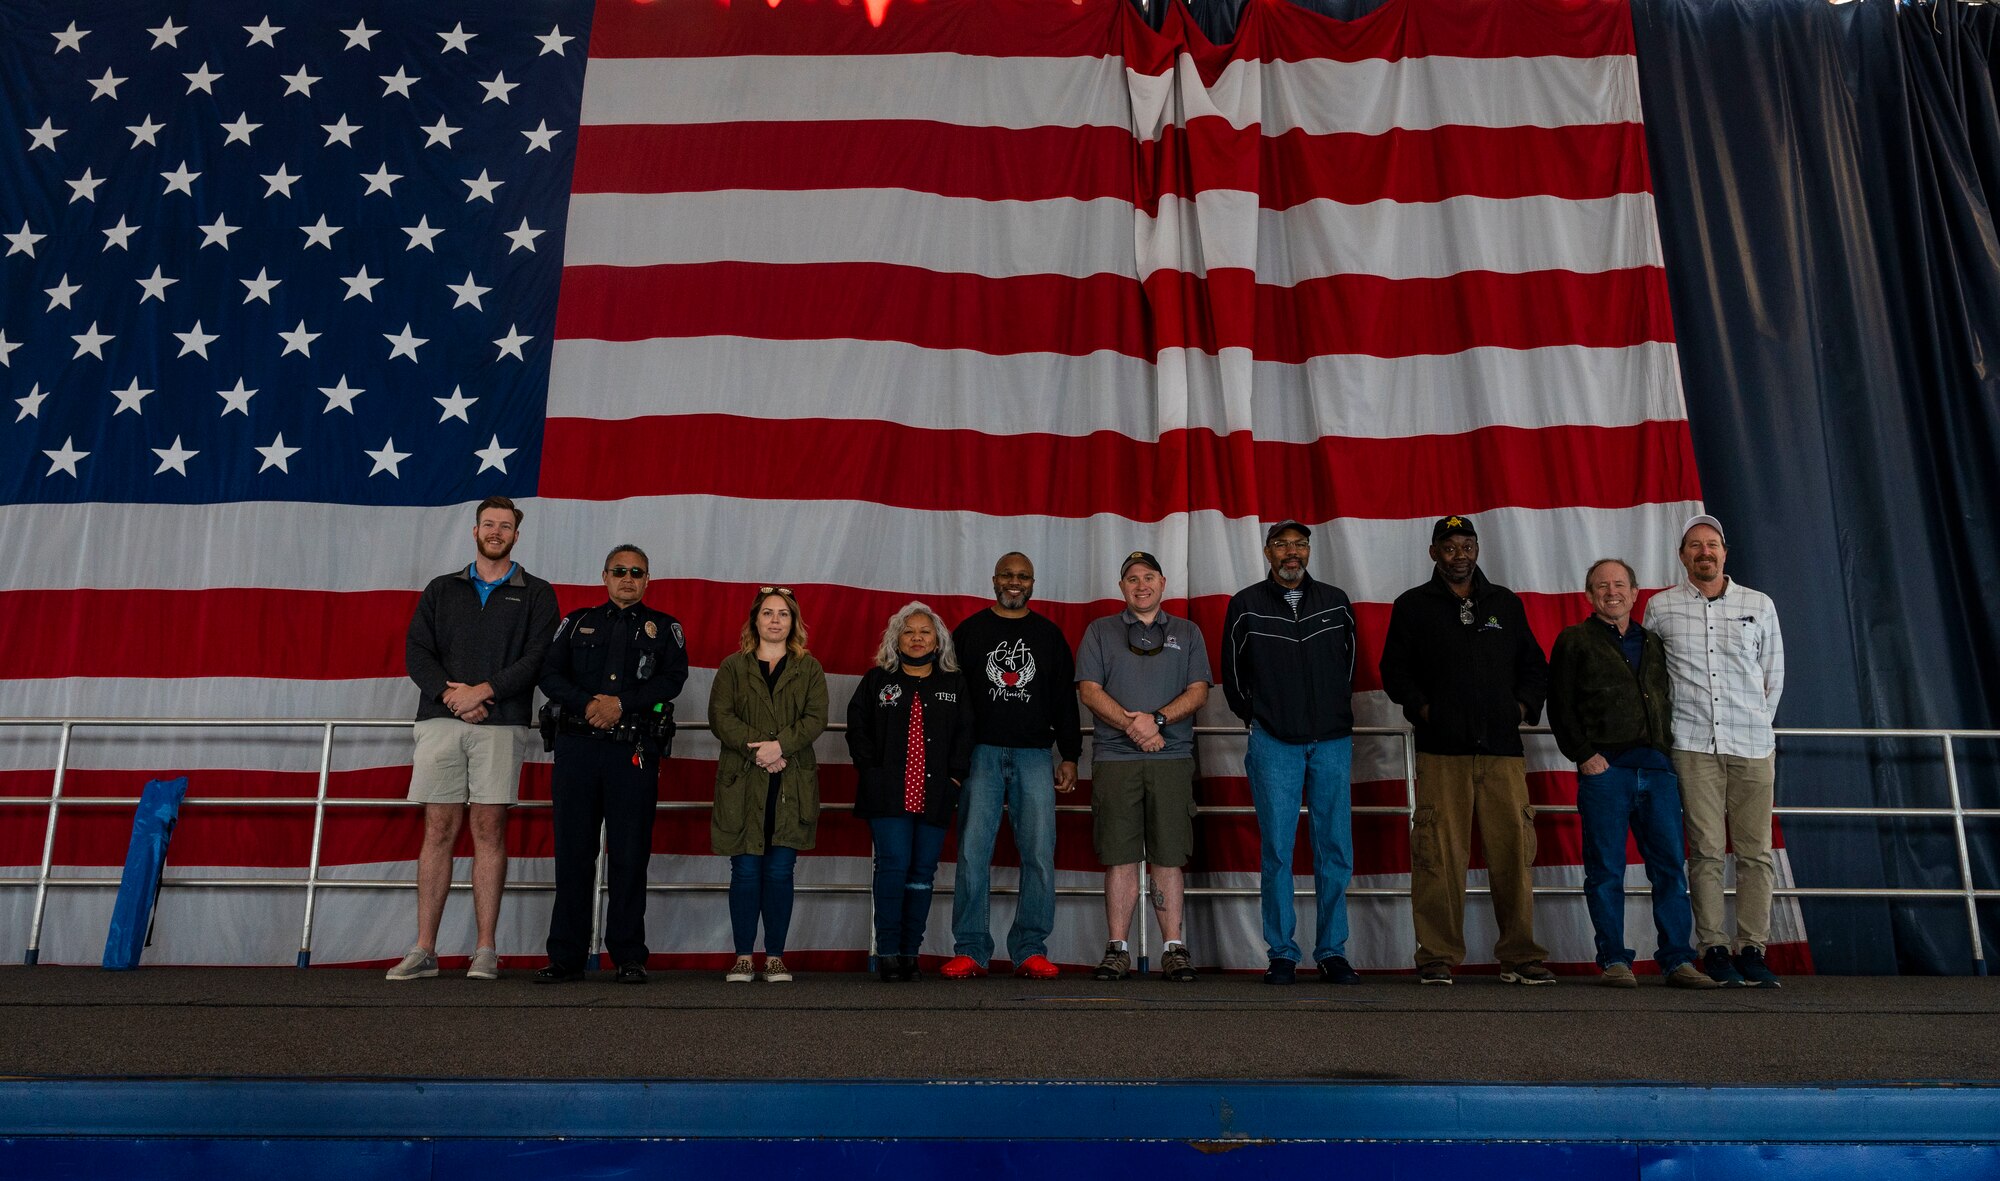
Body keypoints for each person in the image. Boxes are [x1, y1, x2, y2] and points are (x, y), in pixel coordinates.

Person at [389, 496, 558, 982]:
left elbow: (538, 658)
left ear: (517, 535)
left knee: (489, 831)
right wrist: (451, 695)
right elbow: (417, 651)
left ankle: (486, 949)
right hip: (441, 721)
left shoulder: (538, 594)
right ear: (475, 530)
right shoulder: (441, 590)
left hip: (502, 723)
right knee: (437, 830)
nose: (496, 532)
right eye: (489, 524)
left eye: (506, 526)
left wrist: (484, 691)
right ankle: (425, 948)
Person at [1379, 515, 1553, 986]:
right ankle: (1436, 955)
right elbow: (1394, 672)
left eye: (1468, 545)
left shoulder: (1505, 603)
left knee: (1514, 855)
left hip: (1503, 753)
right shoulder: (1413, 606)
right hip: (1441, 753)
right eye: (1450, 546)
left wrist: (1518, 709)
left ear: (1478, 549)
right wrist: (1427, 711)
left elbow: (1535, 668)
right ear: (1434, 553)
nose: (1461, 555)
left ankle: (1519, 956)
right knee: (1438, 857)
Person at [1548, 559, 1718, 989]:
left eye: (1620, 584)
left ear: (1635, 592)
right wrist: (1584, 755)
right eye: (1602, 586)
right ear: (1588, 595)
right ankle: (1613, 960)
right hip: (1607, 772)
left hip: (1658, 770)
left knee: (1669, 869)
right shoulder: (1574, 641)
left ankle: (1678, 959)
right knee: (1606, 869)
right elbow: (1560, 705)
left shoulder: (1655, 642)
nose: (1612, 592)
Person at [534, 545, 689, 984]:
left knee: (629, 854)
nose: (627, 578)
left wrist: (621, 703)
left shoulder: (666, 629)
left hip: (633, 751)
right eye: (619, 570)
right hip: (578, 751)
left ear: (646, 580)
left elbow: (673, 679)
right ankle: (566, 956)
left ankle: (627, 955)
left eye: (636, 572)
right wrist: (589, 705)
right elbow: (549, 674)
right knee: (573, 854)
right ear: (604, 576)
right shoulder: (578, 621)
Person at [1645, 514, 1786, 988]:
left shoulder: (1759, 604)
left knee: (1755, 854)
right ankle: (1714, 947)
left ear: (1725, 552)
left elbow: (1773, 675)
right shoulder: (1660, 609)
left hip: (1751, 744)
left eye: (1712, 545)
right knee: (1704, 852)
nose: (1704, 552)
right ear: (1683, 556)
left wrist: (1757, 723)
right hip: (1692, 745)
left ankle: (1752, 947)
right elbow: (1654, 680)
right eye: (1694, 545)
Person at [1220, 521, 1362, 986]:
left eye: (1299, 544)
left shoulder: (1336, 602)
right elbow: (1234, 676)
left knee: (1334, 849)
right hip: (1274, 742)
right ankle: (1281, 952)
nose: (1291, 552)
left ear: (1308, 550)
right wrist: (1259, 717)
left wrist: (1331, 714)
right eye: (1282, 545)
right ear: (1267, 552)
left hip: (1332, 741)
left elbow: (1350, 668)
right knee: (1278, 851)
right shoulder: (1245, 605)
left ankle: (1331, 952)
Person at [942, 552, 1082, 981]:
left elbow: (1064, 699)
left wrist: (1071, 754)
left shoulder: (1048, 635)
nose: (1015, 582)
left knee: (1039, 854)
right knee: (971, 853)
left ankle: (1029, 948)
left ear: (1033, 582)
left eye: (1023, 576)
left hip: (1035, 754)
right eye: (1008, 575)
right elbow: (952, 696)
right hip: (981, 753)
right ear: (994, 579)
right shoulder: (969, 632)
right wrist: (955, 758)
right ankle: (971, 948)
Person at [1076, 552, 1212, 983]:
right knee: (1119, 856)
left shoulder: (1188, 632)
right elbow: (1090, 691)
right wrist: (1135, 727)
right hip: (1116, 760)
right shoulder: (1100, 631)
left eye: (1148, 577)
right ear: (1122, 588)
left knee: (1169, 856)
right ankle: (1118, 949)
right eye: (1132, 579)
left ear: (1163, 582)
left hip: (1171, 758)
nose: (1141, 585)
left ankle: (1173, 947)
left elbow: (1198, 692)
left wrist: (1156, 721)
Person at [847, 602, 975, 981]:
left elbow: (966, 733)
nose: (917, 638)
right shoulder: (876, 681)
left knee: (922, 872)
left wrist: (954, 777)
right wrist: (871, 771)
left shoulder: (954, 683)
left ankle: (909, 951)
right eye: (909, 631)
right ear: (895, 639)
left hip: (936, 793)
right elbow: (858, 729)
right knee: (893, 866)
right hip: (887, 796)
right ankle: (887, 951)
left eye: (925, 632)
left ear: (938, 641)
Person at [710, 587, 828, 983]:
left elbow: (815, 718)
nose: (775, 620)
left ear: (793, 623)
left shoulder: (808, 668)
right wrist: (760, 750)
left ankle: (775, 955)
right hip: (743, 781)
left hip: (791, 781)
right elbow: (720, 717)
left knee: (780, 871)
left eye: (783, 614)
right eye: (767, 614)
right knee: (744, 870)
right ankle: (743, 956)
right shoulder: (732, 666)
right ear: (755, 620)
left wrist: (781, 747)